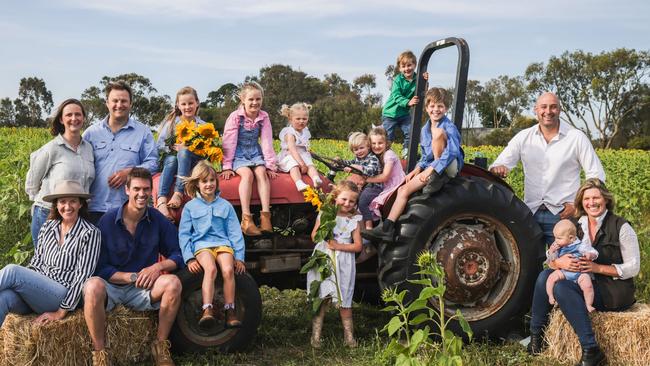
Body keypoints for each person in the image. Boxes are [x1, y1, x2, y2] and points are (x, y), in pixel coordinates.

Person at [528, 178, 640, 366]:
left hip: (611, 289)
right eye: (587, 198)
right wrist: (558, 261)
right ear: (581, 202)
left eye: (596, 197)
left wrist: (598, 268)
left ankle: (591, 348)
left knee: (562, 287)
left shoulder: (621, 227)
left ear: (606, 199)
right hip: (581, 279)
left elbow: (634, 267)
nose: (592, 203)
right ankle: (536, 337)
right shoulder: (575, 224)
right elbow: (551, 258)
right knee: (544, 276)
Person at [82, 168, 183, 366]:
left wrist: (157, 267)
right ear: (127, 190)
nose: (142, 194)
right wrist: (130, 277)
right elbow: (98, 267)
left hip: (143, 289)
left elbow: (178, 255)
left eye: (146, 189)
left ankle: (160, 347)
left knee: (173, 283)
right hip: (113, 287)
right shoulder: (108, 221)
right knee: (92, 286)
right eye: (136, 188)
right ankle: (100, 354)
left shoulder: (157, 219)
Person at [489, 92, 605, 249]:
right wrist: (499, 168)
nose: (548, 111)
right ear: (536, 110)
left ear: (560, 110)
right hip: (531, 214)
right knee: (529, 267)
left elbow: (596, 175)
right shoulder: (524, 137)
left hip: (563, 216)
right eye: (543, 107)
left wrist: (577, 206)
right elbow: (499, 164)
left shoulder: (576, 137)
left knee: (567, 266)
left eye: (553, 107)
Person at [363, 87, 464, 243]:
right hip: (432, 167)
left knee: (438, 133)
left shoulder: (448, 127)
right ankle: (387, 228)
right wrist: (416, 170)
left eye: (440, 106)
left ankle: (438, 176)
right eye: (432, 106)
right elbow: (425, 156)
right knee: (404, 189)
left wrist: (430, 170)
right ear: (426, 107)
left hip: (449, 166)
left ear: (446, 108)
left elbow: (451, 152)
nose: (436, 110)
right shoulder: (425, 130)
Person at [0, 180, 100, 326]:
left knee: (12, 271)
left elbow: (82, 277)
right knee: (4, 298)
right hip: (38, 293)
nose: (67, 206)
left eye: (73, 201)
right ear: (56, 205)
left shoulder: (90, 233)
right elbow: (37, 262)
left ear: (80, 204)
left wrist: (61, 311)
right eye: (62, 201)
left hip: (61, 295)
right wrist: (27, 284)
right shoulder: (48, 227)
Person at [178, 160, 246, 329]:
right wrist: (189, 258)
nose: (208, 184)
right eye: (204, 181)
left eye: (211, 180)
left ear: (216, 182)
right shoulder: (190, 207)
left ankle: (230, 311)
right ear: (197, 184)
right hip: (202, 245)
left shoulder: (226, 206)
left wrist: (239, 257)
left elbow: (235, 233)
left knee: (229, 270)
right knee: (211, 269)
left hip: (223, 244)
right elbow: (184, 234)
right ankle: (207, 309)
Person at [83, 80, 159, 224]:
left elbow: (153, 163)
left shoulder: (143, 132)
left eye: (124, 101)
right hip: (94, 207)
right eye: (115, 100)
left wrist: (130, 172)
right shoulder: (91, 133)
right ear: (107, 103)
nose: (119, 105)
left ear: (131, 104)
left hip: (128, 209)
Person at [25, 98, 95, 247]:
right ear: (61, 120)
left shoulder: (88, 148)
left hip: (75, 215)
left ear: (83, 118)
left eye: (78, 114)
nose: (74, 119)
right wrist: (47, 204)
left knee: (66, 264)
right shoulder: (52, 148)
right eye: (69, 115)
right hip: (48, 214)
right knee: (44, 263)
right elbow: (32, 183)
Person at [306, 181, 363, 348]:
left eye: (352, 201)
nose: (347, 204)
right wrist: (326, 229)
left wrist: (339, 246)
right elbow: (314, 236)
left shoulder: (354, 219)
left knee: (344, 296)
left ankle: (349, 337)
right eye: (344, 199)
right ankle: (316, 336)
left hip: (344, 261)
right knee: (322, 296)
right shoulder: (326, 213)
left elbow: (358, 245)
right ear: (335, 197)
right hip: (325, 257)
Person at [220, 82, 277, 237]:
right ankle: (246, 219)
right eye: (251, 99)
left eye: (258, 99)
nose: (255, 102)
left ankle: (266, 216)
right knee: (247, 175)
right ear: (242, 99)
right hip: (238, 154)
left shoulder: (264, 117)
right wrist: (227, 165)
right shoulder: (235, 117)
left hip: (254, 152)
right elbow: (229, 142)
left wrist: (270, 164)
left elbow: (266, 141)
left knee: (261, 172)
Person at [156, 86, 207, 219]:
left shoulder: (202, 126)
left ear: (197, 103)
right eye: (183, 104)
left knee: (184, 152)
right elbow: (160, 145)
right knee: (173, 159)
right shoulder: (172, 124)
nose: (187, 107)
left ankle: (178, 192)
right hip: (172, 158)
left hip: (194, 160)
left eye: (190, 103)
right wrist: (173, 148)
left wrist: (190, 149)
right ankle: (161, 200)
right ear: (178, 105)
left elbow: (208, 148)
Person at [357, 127, 405, 263]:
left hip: (394, 185)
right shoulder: (375, 156)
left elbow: (385, 176)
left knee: (366, 203)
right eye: (373, 144)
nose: (377, 146)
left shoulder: (389, 155)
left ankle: (371, 237)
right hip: (385, 185)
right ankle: (365, 242)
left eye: (380, 143)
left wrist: (366, 180)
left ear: (386, 143)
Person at [381, 50, 428, 158]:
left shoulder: (418, 79)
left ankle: (407, 152)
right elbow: (396, 96)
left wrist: (425, 81)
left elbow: (423, 92)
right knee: (388, 136)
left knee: (411, 131)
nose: (407, 68)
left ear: (415, 65)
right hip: (390, 113)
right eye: (403, 66)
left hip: (404, 114)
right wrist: (408, 102)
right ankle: (384, 155)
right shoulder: (397, 80)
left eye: (409, 65)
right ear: (400, 68)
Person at [545, 219, 598, 312]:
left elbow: (594, 252)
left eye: (559, 238)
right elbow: (552, 259)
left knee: (588, 285)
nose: (555, 240)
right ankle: (550, 296)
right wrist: (551, 251)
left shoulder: (581, 245)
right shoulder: (557, 246)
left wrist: (590, 255)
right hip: (564, 272)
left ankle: (588, 304)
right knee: (551, 278)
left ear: (571, 238)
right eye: (555, 237)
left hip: (579, 273)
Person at [339, 132, 382, 232]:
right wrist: (340, 162)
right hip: (364, 186)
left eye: (361, 148)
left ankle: (369, 227)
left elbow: (371, 171)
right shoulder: (358, 159)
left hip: (374, 187)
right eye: (355, 150)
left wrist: (358, 167)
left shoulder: (373, 158)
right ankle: (349, 222)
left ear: (367, 146)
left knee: (362, 202)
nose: (359, 151)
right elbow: (349, 163)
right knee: (350, 198)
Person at [277, 102, 322, 192]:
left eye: (304, 119)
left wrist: (309, 153)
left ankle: (316, 179)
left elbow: (304, 145)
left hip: (302, 154)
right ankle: (299, 183)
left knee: (311, 165)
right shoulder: (289, 133)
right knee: (294, 166)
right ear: (290, 119)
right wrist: (302, 164)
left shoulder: (305, 131)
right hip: (290, 155)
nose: (301, 121)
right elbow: (293, 150)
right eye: (298, 119)